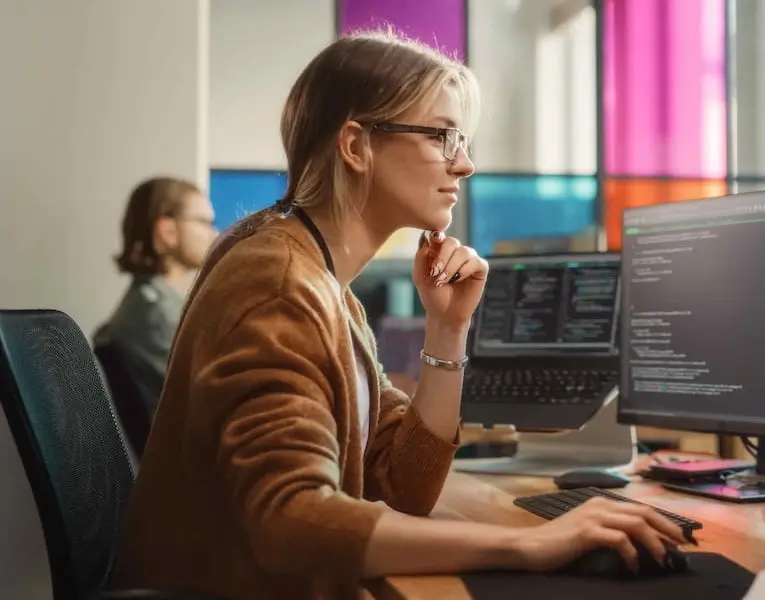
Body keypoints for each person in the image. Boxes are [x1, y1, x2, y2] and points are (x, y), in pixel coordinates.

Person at [108, 31, 685, 600]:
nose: (465, 164)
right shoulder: (280, 282)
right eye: (442, 136)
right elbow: (290, 520)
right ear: (356, 146)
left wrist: (448, 328)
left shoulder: (326, 282)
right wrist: (528, 545)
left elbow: (404, 485)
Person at [95, 176, 217, 419]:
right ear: (168, 231)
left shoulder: (154, 306)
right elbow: (215, 399)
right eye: (205, 222)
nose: (216, 233)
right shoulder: (155, 316)